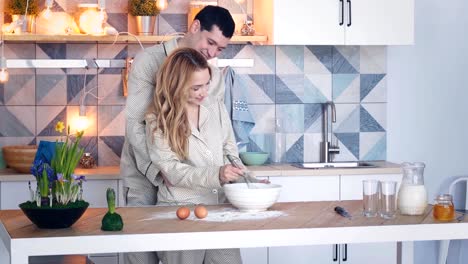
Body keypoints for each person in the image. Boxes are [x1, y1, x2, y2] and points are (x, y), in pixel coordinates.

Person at [120, 5, 236, 264]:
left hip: (192, 185)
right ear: (195, 27)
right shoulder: (149, 62)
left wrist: (231, 174)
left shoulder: (211, 75)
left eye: (220, 49)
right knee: (141, 255)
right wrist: (160, 170)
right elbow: (136, 124)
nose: (212, 53)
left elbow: (217, 129)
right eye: (210, 43)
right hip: (144, 175)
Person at [146, 47, 244, 264]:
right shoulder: (157, 120)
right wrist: (217, 174)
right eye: (196, 87)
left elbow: (229, 150)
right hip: (180, 209)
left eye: (207, 84)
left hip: (219, 208)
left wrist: (247, 179)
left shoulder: (215, 106)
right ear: (177, 85)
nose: (204, 93)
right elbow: (171, 171)